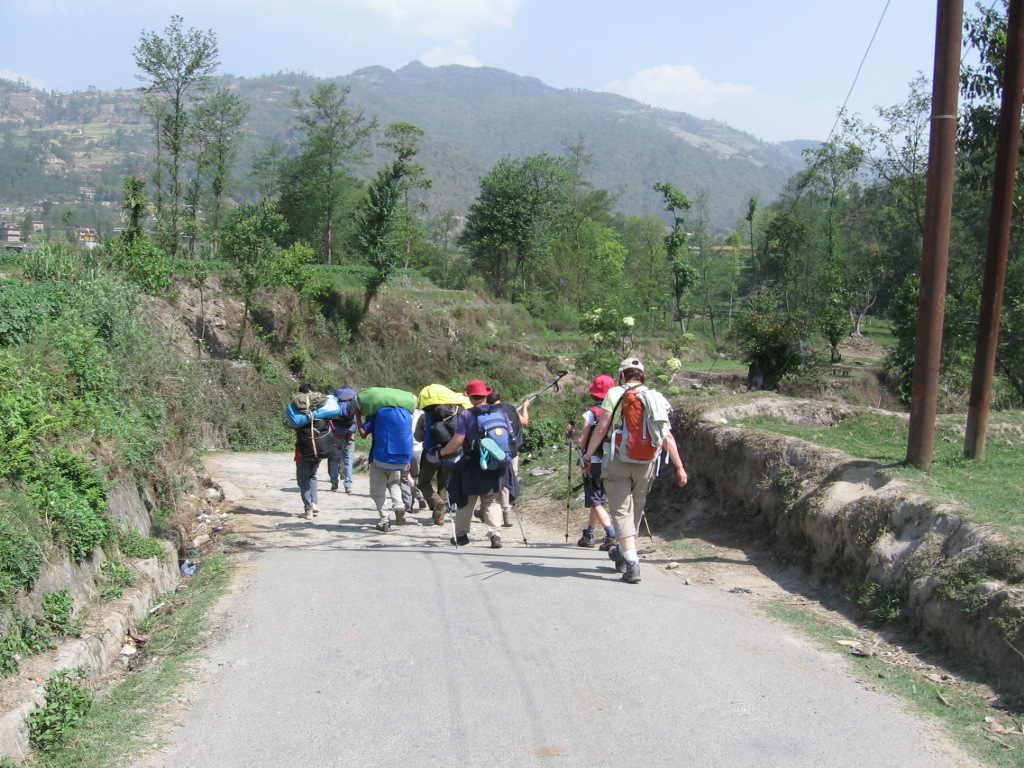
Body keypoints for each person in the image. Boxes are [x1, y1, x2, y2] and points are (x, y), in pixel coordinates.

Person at [582, 358, 687, 584]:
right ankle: (622, 551)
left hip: (618, 459)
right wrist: (679, 466)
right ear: (642, 376)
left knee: (621, 510)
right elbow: (666, 435)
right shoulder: (655, 396)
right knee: (636, 509)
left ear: (622, 375)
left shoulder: (614, 393)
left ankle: (631, 561)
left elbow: (602, 427)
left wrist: (589, 455)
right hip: (648, 461)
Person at [438, 379, 519, 549]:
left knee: (466, 499)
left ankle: (461, 536)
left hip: (472, 463)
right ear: (485, 395)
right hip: (496, 463)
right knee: (492, 500)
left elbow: (457, 442)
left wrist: (441, 453)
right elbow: (511, 437)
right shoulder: (500, 412)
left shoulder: (467, 415)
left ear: (469, 396)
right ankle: (495, 535)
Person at [575, 374, 617, 550]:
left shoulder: (591, 413)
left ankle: (612, 534)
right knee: (598, 499)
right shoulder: (617, 412)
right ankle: (589, 534)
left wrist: (572, 435)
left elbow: (582, 442)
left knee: (595, 500)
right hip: (615, 459)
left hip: (594, 461)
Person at [358, 402, 414, 532]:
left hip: (379, 459)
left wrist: (357, 416)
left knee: (378, 492)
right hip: (397, 459)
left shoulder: (376, 414)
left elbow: (363, 433)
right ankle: (399, 506)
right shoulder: (402, 415)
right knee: (394, 483)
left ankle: (384, 520)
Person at [485, 387, 530, 527]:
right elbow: (524, 422)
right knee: (510, 478)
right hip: (512, 450)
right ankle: (507, 512)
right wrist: (525, 407)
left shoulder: (487, 411)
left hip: (494, 451)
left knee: (493, 479)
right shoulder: (510, 407)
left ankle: (488, 509)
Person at [289, 383, 335, 519]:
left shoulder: (297, 409)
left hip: (303, 450)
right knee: (313, 476)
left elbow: (293, 425)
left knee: (303, 481)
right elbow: (331, 425)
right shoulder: (322, 409)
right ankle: (314, 504)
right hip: (320, 448)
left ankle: (308, 509)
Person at [328, 386, 357, 494]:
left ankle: (334, 483)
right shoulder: (354, 399)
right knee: (348, 460)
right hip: (350, 435)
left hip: (336, 435)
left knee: (335, 459)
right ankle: (348, 485)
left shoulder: (335, 399)